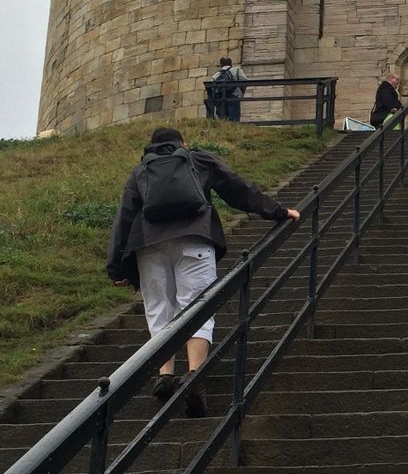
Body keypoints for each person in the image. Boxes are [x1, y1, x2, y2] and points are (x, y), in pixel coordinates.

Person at [107, 126, 300, 416]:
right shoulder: (198, 159)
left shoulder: (140, 171)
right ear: (182, 142)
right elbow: (237, 188)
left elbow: (124, 217)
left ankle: (165, 374)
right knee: (197, 307)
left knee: (160, 309)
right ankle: (194, 374)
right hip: (196, 239)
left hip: (148, 247)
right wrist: (277, 211)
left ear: (151, 147)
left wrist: (115, 266)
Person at [209, 57, 247, 122]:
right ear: (231, 64)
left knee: (222, 120)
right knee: (234, 119)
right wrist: (241, 92)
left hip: (220, 99)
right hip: (234, 96)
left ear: (221, 65)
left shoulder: (215, 75)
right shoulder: (236, 70)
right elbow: (244, 80)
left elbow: (210, 88)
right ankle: (234, 130)